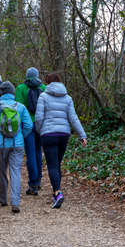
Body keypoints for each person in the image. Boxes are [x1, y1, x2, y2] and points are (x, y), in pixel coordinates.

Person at [35, 73, 87, 209]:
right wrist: (82, 135)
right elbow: (73, 118)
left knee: (52, 165)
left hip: (48, 134)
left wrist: (40, 131)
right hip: (64, 134)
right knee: (57, 164)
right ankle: (55, 192)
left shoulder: (43, 96)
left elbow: (39, 118)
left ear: (47, 83)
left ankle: (58, 193)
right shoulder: (67, 98)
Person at [0, 81, 32, 213]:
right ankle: (15, 202)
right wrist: (20, 137)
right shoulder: (21, 107)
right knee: (15, 171)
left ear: (1, 93)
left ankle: (3, 198)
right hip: (17, 145)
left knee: (1, 171)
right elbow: (29, 126)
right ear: (13, 93)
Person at [15, 67, 46, 195]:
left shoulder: (21, 88)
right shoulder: (43, 88)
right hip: (40, 124)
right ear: (37, 75)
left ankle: (33, 184)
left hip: (27, 125)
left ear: (27, 76)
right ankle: (38, 181)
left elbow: (18, 108)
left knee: (30, 153)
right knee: (38, 152)